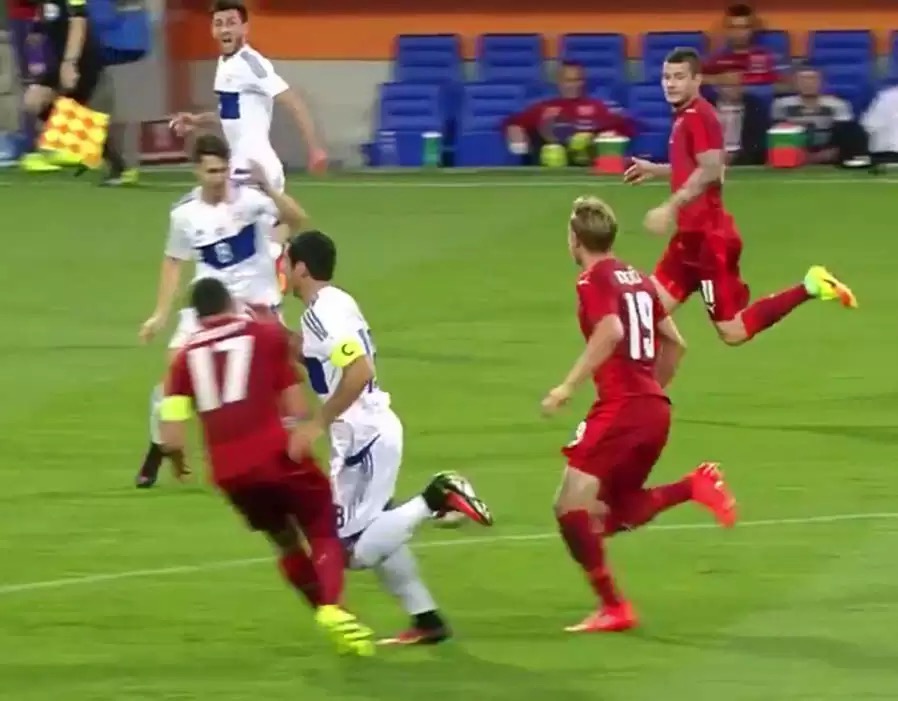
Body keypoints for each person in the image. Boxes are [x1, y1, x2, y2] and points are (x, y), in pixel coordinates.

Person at [285, 230, 494, 645]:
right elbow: (319, 357)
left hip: (362, 438)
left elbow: (358, 370)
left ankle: (438, 495)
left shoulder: (321, 313)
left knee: (349, 551)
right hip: (372, 431)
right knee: (380, 528)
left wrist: (317, 424)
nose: (283, 270)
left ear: (302, 268)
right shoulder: (335, 303)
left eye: (287, 262)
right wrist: (270, 333)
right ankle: (427, 620)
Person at [541, 196, 736, 633]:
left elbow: (610, 330)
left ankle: (615, 607)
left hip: (623, 408)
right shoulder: (639, 280)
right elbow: (677, 344)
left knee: (570, 510)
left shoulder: (591, 280)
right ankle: (692, 486)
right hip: (652, 409)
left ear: (575, 239)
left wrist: (567, 386)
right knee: (605, 513)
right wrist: (650, 393)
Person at [158, 277, 374, 656]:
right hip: (275, 454)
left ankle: (332, 617)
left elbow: (171, 437)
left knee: (284, 541)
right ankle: (333, 607)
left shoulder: (183, 360)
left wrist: (179, 464)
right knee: (321, 520)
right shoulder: (264, 335)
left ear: (197, 316)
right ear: (231, 304)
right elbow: (296, 405)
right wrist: (301, 433)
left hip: (230, 473)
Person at [624, 48, 857, 348]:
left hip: (709, 244)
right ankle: (649, 376)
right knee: (645, 314)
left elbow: (712, 170)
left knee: (733, 332)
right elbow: (695, 168)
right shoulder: (685, 117)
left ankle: (811, 285)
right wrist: (654, 169)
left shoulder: (699, 116)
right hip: (688, 240)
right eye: (667, 77)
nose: (671, 83)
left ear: (697, 80)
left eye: (679, 77)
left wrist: (670, 206)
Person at [135, 133, 306, 487]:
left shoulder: (251, 199)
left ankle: (285, 455)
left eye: (223, 170)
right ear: (197, 171)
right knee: (175, 373)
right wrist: (160, 313)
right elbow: (173, 261)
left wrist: (269, 188)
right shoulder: (184, 214)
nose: (218, 178)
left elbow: (298, 219)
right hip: (209, 304)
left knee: (280, 377)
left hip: (257, 304)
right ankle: (160, 447)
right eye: (211, 171)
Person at [170, 0, 326, 286]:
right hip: (239, 165)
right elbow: (233, 116)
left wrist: (314, 147)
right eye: (219, 24)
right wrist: (197, 121)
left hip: (255, 166)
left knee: (239, 238)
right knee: (250, 241)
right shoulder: (226, 63)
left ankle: (281, 266)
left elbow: (293, 101)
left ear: (245, 27)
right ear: (212, 30)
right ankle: (278, 263)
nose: (225, 29)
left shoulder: (251, 63)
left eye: (231, 23)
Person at [19, 0, 134, 183]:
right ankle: (116, 165)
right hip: (61, 61)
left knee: (53, 105)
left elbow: (78, 21)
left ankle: (116, 165)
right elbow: (47, 19)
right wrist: (35, 36)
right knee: (36, 101)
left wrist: (70, 63)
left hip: (82, 60)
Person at [503, 61, 635, 166]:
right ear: (559, 82)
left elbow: (627, 126)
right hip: (552, 164)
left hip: (591, 164)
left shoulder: (599, 107)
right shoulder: (543, 108)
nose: (574, 85)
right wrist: (519, 142)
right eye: (568, 80)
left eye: (577, 80)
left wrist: (610, 135)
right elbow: (513, 124)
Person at [771, 63, 869, 167]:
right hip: (794, 150)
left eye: (813, 79)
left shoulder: (837, 104)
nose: (808, 83)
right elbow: (778, 133)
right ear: (794, 83)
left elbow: (845, 134)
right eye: (803, 80)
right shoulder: (782, 104)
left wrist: (824, 155)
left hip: (830, 150)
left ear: (822, 83)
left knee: (850, 129)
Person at [703, 3, 781, 87]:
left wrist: (743, 81)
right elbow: (697, 78)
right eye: (733, 27)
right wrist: (718, 79)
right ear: (726, 30)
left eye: (744, 27)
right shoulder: (717, 58)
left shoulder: (763, 56)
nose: (738, 32)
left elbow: (782, 83)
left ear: (752, 30)